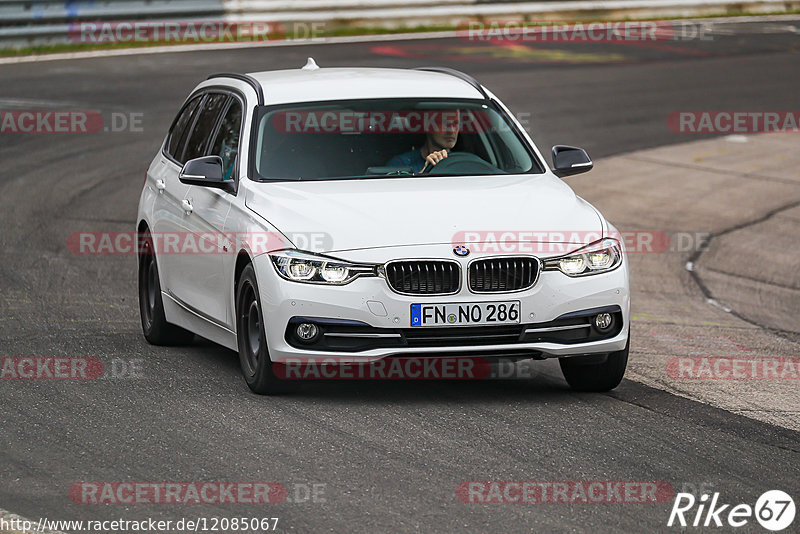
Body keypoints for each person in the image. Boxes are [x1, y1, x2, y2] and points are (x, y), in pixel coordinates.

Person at [386, 111, 459, 173]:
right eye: (444, 123)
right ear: (427, 125)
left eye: (455, 123)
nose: (451, 131)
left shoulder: (464, 163)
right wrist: (424, 172)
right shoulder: (400, 164)